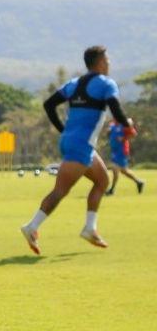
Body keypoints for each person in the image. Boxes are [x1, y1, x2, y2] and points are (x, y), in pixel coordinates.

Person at [21, 46, 133, 253]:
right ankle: (32, 226)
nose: (109, 63)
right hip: (80, 145)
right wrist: (127, 126)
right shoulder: (106, 84)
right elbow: (115, 109)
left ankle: (90, 228)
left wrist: (63, 131)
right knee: (61, 190)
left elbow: (49, 104)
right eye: (107, 60)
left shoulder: (74, 84)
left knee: (102, 181)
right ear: (99, 62)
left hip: (75, 143)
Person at [105, 119, 144, 195]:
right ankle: (139, 182)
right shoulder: (112, 125)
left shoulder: (123, 124)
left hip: (121, 151)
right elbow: (109, 133)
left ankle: (112, 190)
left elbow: (133, 134)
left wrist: (123, 138)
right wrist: (108, 132)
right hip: (114, 151)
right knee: (124, 171)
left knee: (115, 168)